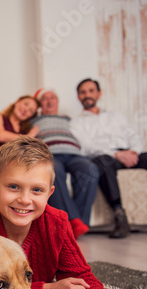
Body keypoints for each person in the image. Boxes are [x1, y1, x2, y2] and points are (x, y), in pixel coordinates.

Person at [0, 137, 136, 289]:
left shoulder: (58, 223)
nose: (24, 199)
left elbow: (79, 274)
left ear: (49, 193)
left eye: (37, 190)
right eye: (13, 187)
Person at [70, 78, 147, 239]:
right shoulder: (76, 123)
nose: (87, 95)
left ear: (99, 93)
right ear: (78, 97)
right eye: (83, 92)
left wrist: (133, 151)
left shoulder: (116, 116)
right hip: (107, 157)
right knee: (101, 162)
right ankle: (120, 215)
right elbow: (86, 146)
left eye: (91, 91)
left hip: (130, 153)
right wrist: (117, 155)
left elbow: (133, 135)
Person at [32, 88, 99, 239]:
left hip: (74, 154)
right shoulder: (33, 121)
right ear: (40, 104)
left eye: (53, 97)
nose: (49, 101)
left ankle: (79, 223)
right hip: (50, 153)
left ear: (57, 102)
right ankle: (72, 221)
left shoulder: (69, 119)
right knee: (53, 172)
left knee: (91, 169)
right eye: (45, 98)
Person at [0, 95, 39, 178]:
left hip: (12, 164)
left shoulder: (24, 131)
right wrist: (28, 137)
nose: (26, 110)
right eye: (26, 104)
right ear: (17, 102)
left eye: (31, 111)